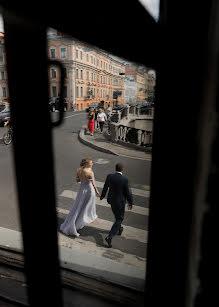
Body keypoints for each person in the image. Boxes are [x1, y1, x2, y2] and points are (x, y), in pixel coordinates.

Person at [60, 158, 100, 237]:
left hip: (81, 191)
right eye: (91, 163)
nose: (92, 164)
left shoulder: (79, 170)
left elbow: (77, 180)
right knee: (86, 208)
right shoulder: (90, 172)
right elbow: (93, 185)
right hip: (89, 191)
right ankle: (80, 222)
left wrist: (82, 179)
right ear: (87, 164)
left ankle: (75, 222)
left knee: (78, 207)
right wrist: (97, 192)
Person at [100, 163, 133, 248]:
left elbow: (105, 186)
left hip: (111, 200)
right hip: (120, 202)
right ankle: (109, 237)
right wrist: (130, 202)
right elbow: (128, 193)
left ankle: (119, 228)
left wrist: (102, 196)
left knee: (117, 216)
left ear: (116, 169)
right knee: (119, 218)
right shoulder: (125, 179)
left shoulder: (109, 176)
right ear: (122, 169)